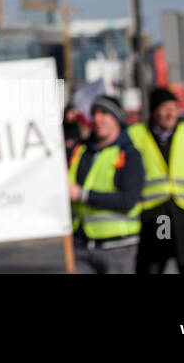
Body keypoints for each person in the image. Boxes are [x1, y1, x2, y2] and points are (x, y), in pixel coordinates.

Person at [127, 87, 184, 274]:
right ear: (154, 112)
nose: (170, 113)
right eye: (164, 108)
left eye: (173, 107)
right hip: (156, 213)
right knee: (154, 263)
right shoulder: (137, 134)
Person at [68, 95, 144, 273]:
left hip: (118, 246)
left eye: (104, 114)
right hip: (80, 245)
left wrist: (83, 195)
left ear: (117, 119)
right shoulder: (81, 150)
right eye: (94, 113)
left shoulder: (129, 153)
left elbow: (128, 200)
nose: (97, 119)